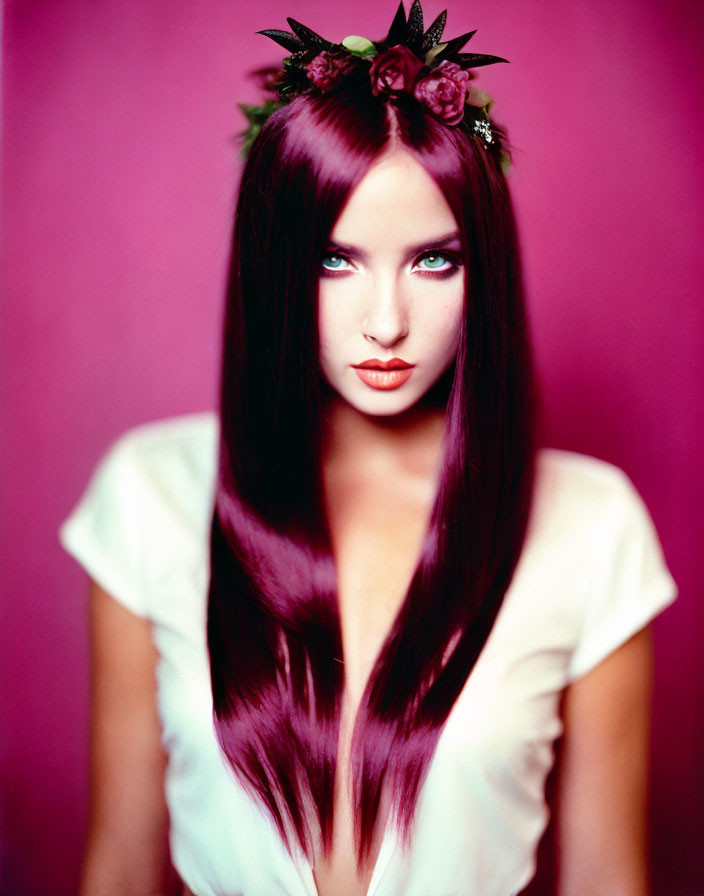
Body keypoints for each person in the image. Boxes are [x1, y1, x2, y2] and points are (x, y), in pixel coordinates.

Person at [60, 3, 677, 895]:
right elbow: (117, 866)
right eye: (333, 260)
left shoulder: (593, 526)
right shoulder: (150, 495)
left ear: (485, 267)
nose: (385, 324)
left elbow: (607, 880)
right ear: (274, 261)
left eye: (434, 261)